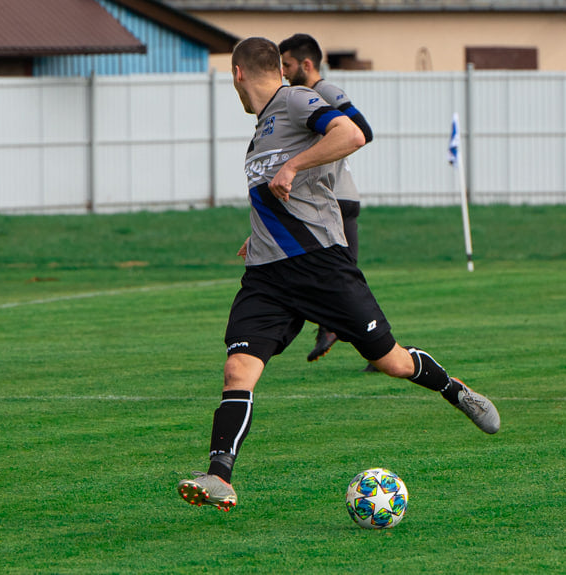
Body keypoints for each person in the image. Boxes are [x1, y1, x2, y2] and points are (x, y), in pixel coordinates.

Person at [177, 37, 500, 511]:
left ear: (238, 73)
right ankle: (219, 476)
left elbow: (351, 134)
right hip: (267, 275)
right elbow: (277, 195)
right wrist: (259, 232)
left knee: (392, 362)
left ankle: (456, 391)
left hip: (321, 267)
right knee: (237, 369)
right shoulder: (261, 127)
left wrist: (293, 165)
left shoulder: (294, 99)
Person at [278, 33, 373, 364]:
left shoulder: (325, 92)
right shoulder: (302, 98)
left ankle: (329, 327)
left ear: (306, 64)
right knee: (343, 279)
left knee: (340, 279)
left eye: (287, 65)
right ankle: (377, 351)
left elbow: (363, 130)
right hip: (323, 199)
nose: (284, 72)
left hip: (336, 198)